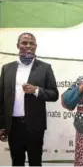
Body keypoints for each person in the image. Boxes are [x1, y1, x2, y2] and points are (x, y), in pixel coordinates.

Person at [0, 32, 59, 166]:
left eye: (31, 43)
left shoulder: (45, 68)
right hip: (13, 125)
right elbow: (1, 100)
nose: (28, 46)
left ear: (35, 46)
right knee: (17, 162)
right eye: (24, 43)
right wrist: (1, 125)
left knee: (35, 162)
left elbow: (54, 94)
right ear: (18, 45)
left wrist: (36, 90)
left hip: (35, 125)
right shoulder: (7, 69)